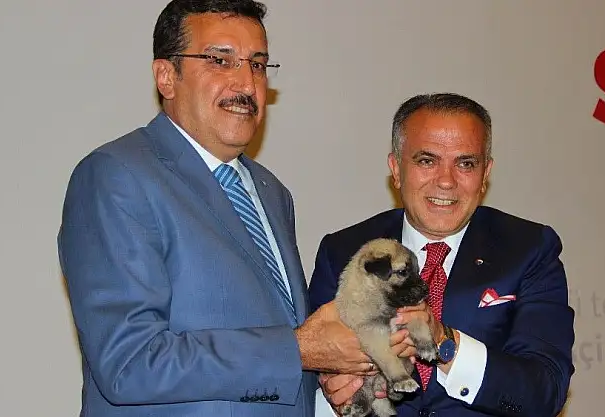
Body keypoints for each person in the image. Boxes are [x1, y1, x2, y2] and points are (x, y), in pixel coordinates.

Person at [57, 1, 379, 416]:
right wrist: (299, 350)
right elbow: (129, 363)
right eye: (220, 60)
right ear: (166, 76)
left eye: (257, 65)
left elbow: (272, 352)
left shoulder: (271, 192)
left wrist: (326, 378)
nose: (246, 82)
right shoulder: (116, 176)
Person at [309, 93, 575, 417]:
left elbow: (545, 391)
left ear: (485, 174)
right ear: (396, 168)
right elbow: (308, 378)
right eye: (426, 161)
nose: (446, 181)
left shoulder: (529, 249)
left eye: (466, 164)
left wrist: (444, 342)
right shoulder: (344, 252)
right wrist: (334, 398)